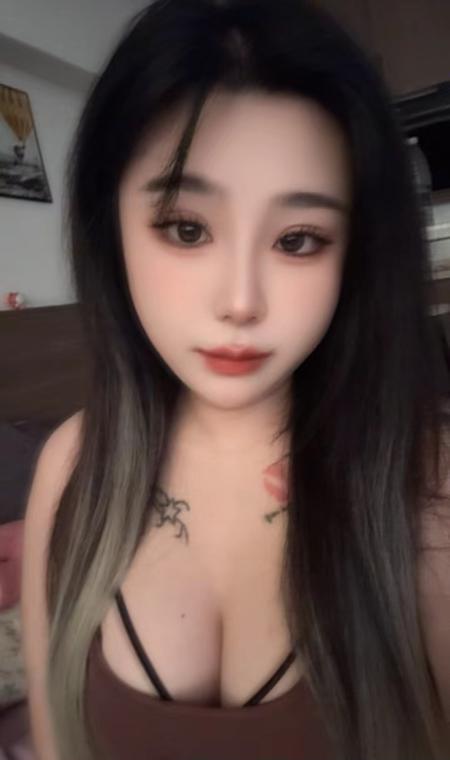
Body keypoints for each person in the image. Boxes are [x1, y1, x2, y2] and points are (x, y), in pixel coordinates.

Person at [20, 1, 450, 759]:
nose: (241, 302)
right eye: (187, 228)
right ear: (108, 227)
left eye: (299, 239)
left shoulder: (428, 485)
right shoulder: (71, 467)